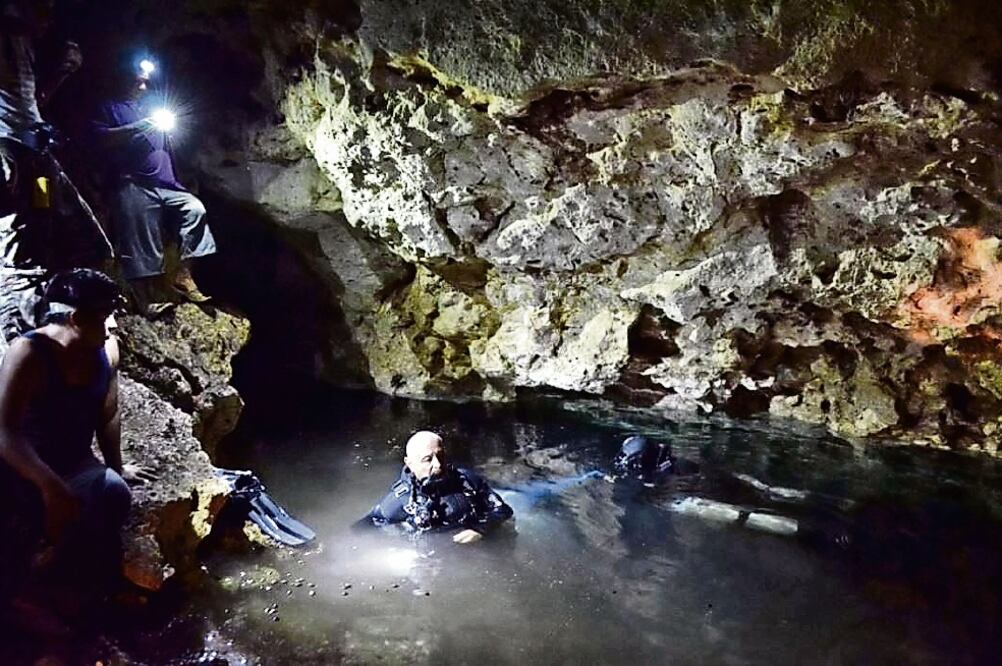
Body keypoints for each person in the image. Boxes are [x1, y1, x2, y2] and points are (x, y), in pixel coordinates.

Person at [0, 269, 152, 583]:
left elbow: (108, 413)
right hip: (23, 465)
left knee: (114, 493)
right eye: (105, 317)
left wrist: (116, 466)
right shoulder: (29, 354)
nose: (112, 327)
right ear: (77, 319)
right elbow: (5, 431)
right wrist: (49, 485)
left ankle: (64, 563)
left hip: (74, 463)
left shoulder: (107, 351)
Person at [1, 0, 111, 339]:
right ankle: (19, 346)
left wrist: (62, 72)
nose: (49, 17)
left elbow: (30, 101)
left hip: (34, 155)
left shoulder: (24, 45)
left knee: (72, 236)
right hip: (9, 155)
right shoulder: (6, 34)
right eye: (43, 6)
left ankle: (62, 328)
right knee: (17, 252)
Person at [92, 56, 214, 303]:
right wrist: (138, 127)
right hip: (132, 182)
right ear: (122, 79)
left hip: (167, 184)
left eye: (146, 82)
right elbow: (99, 138)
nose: (143, 87)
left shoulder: (152, 108)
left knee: (195, 210)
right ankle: (148, 299)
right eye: (138, 81)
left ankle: (183, 274)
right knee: (142, 239)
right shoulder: (109, 108)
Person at [358, 430, 513, 544]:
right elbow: (364, 527)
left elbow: (503, 510)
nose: (438, 464)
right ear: (409, 463)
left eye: (440, 456)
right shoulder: (401, 499)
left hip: (479, 545)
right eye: (427, 459)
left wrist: (480, 529)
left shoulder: (467, 480)